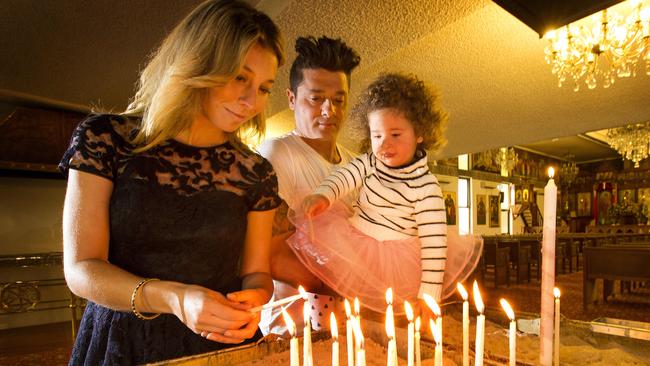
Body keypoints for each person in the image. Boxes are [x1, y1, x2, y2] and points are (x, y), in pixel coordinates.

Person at [59, 1, 284, 363]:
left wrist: (254, 297)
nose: (250, 101)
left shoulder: (255, 171)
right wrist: (174, 297)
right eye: (240, 77)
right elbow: (81, 267)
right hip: (123, 342)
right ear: (198, 63)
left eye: (263, 87)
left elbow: (257, 272)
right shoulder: (105, 140)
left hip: (219, 341)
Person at [290, 73, 483, 312]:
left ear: (420, 133)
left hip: (398, 261)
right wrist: (324, 195)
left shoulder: (426, 187)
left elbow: (434, 243)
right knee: (349, 304)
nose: (384, 144)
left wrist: (429, 295)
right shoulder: (370, 162)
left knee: (389, 313)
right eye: (377, 135)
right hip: (355, 242)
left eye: (395, 135)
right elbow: (344, 176)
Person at [257, 36, 360, 335]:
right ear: (291, 98)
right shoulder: (277, 154)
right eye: (316, 98)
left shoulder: (356, 166)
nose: (330, 111)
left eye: (339, 100)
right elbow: (272, 254)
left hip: (349, 324)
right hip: (290, 329)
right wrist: (349, 286)